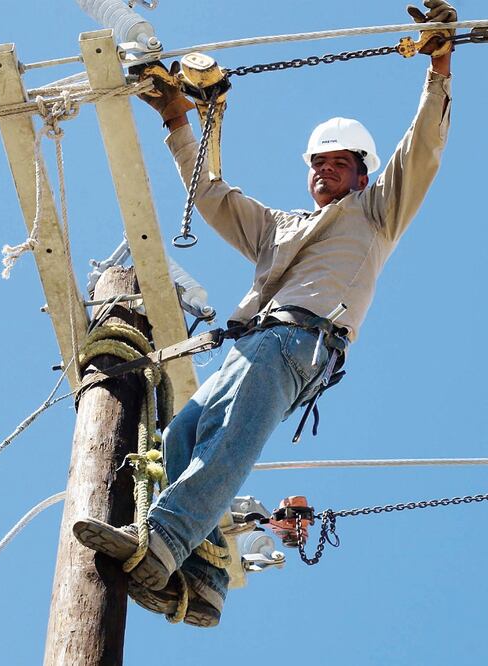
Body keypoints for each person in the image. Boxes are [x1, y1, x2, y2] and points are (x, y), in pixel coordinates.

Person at [73, 0, 457, 627]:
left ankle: (162, 542)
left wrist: (439, 63)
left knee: (228, 445)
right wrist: (177, 119)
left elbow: (423, 151)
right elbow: (210, 193)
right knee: (182, 435)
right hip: (253, 345)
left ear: (361, 174)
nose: (324, 172)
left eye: (338, 164)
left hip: (300, 341)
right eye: (317, 165)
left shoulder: (376, 213)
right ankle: (201, 579)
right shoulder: (279, 229)